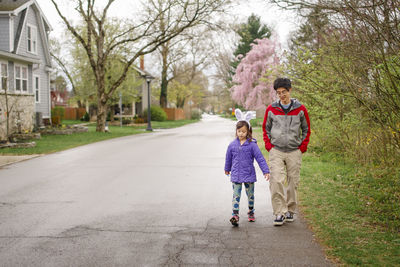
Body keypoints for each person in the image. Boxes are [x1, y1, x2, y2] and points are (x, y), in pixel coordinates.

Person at [262, 78, 311, 226]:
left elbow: (306, 129)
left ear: (290, 91)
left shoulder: (300, 109)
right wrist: (269, 145)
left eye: (284, 92)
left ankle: (290, 210)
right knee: (276, 180)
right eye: (278, 93)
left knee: (292, 182)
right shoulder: (271, 109)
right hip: (276, 150)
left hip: (294, 151)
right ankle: (279, 213)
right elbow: (266, 128)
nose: (281, 95)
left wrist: (302, 146)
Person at [225, 109, 270, 227]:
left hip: (249, 174)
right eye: (239, 131)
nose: (241, 134)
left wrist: (266, 171)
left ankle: (251, 211)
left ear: (248, 131)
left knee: (250, 195)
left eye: (243, 132)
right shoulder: (232, 145)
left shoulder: (252, 145)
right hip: (236, 174)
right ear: (236, 131)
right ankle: (235, 215)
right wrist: (227, 168)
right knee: (236, 195)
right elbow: (228, 158)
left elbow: (260, 158)